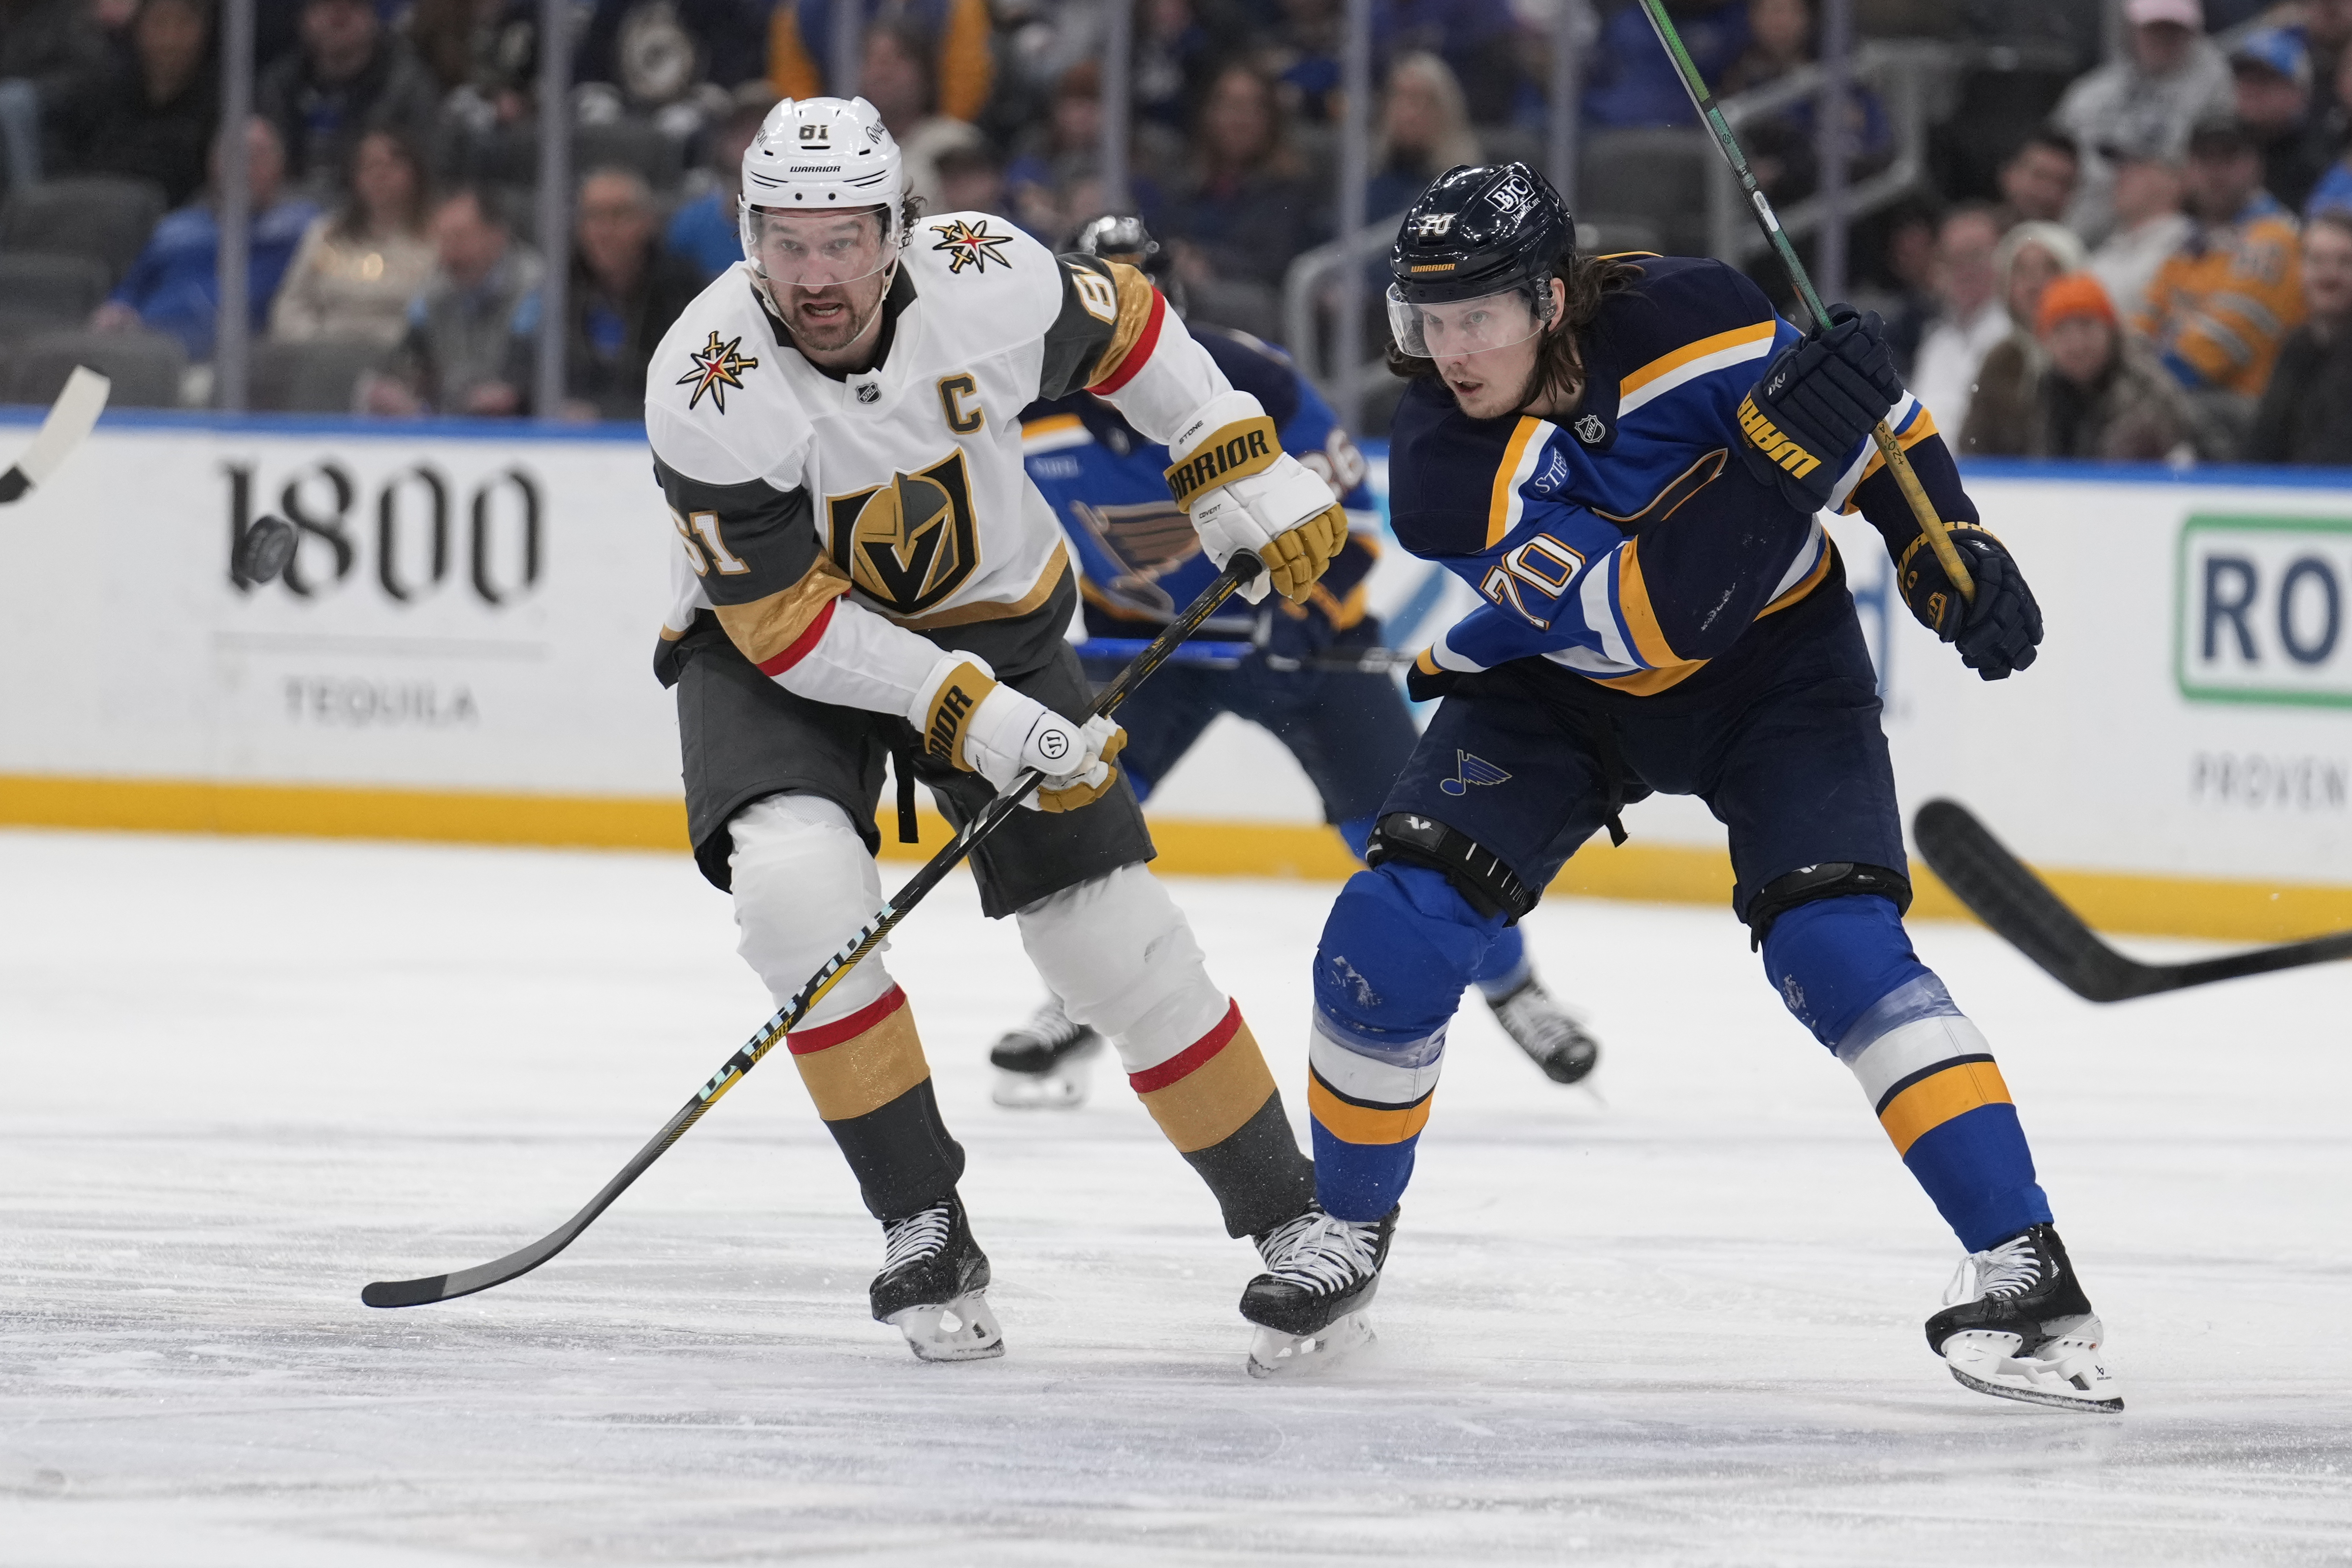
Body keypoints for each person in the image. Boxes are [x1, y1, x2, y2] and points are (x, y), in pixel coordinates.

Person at [1247, 160, 2119, 1415]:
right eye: (1425, 320)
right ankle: (1346, 1229)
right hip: (1562, 683)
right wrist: (1768, 465)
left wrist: (1944, 537)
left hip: (1776, 670)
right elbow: (1665, 617)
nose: (1447, 352)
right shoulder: (1442, 466)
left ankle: (2025, 1269)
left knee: (1837, 949)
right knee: (1385, 936)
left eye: (1477, 316)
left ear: (1550, 299)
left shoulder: (1690, 314)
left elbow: (1865, 418)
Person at [640, 96, 1353, 1366]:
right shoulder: (707, 381)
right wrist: (962, 713)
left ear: (895, 229)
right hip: (777, 652)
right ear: (749, 233)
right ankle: (920, 1218)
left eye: (843, 238)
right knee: (798, 895)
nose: (815, 275)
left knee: (1109, 939)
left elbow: (1132, 329)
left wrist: (1220, 449)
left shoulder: (986, 270)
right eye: (786, 241)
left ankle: (1294, 1221)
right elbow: (786, 623)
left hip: (996, 619)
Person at [987, 215, 1602, 1112]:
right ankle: (1088, 997)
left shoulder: (1250, 377)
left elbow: (1348, 508)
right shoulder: (1027, 403)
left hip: (1306, 645)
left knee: (1412, 839)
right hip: (1159, 647)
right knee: (1078, 818)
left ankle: (1515, 989)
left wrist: (1302, 608)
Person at [93, 116, 321, 361]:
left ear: (280, 165)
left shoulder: (303, 229)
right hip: (148, 353)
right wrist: (117, 309)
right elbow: (130, 290)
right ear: (214, 163)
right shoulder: (176, 229)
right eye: (233, 155)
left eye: (257, 156)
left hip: (232, 366)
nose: (244, 167)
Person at [2140, 119, 2307, 431]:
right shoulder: (2191, 245)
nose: (2215, 172)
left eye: (2229, 159)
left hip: (2251, 406)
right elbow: (2143, 322)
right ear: (2189, 169)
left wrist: (2136, 383)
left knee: (2145, 421)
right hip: (2184, 392)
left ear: (2256, 167)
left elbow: (2214, 350)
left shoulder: (2275, 239)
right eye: (2205, 159)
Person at [498, 166, 703, 421]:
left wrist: (607, 413)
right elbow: (520, 368)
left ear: (648, 221)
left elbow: (695, 388)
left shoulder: (685, 292)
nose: (604, 231)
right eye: (593, 216)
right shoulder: (557, 288)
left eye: (618, 215)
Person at [2053, 0, 2233, 245]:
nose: (2164, 39)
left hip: (2173, 230)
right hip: (2085, 221)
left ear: (2193, 33)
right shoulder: (2090, 95)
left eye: (2174, 29)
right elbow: (2053, 157)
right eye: (2153, 28)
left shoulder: (2218, 90)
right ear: (2130, 29)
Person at [1977, 272, 2202, 460]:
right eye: (2062, 331)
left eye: (2087, 326)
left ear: (2111, 333)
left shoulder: (2144, 389)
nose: (2077, 344)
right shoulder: (2042, 392)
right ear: (2045, 342)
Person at [361, 185, 542, 416]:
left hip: (518, 431)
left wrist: (511, 394)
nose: (450, 252)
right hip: (449, 424)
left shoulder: (534, 289)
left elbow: (522, 378)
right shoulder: (433, 292)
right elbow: (404, 360)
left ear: (497, 236)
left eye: (461, 237)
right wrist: (395, 388)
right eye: (443, 239)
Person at [1164, 63, 1323, 298]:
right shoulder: (1188, 184)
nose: (1239, 120)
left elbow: (1276, 267)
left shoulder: (1291, 190)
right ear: (1210, 114)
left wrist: (1205, 261)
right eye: (1230, 107)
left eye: (1252, 108)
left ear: (1271, 119)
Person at [254, 0, 439, 196]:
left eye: (353, 6)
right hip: (284, 209)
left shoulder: (406, 86)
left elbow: (427, 166)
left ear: (374, 16)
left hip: (372, 211)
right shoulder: (279, 83)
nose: (338, 18)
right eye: (325, 7)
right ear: (305, 17)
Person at [269, 129, 434, 346]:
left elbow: (441, 314)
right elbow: (291, 304)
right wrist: (315, 341)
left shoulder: (438, 238)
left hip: (400, 355)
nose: (381, 175)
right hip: (324, 353)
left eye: (392, 165)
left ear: (415, 173)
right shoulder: (326, 232)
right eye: (370, 166)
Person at [50, 0, 219, 210]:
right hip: (93, 208)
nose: (171, 40)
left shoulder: (221, 100)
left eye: (183, 24)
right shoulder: (105, 88)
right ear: (138, 29)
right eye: (160, 24)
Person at [1959, 221, 2087, 458]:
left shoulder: (2103, 353)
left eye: (2050, 269)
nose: (2035, 284)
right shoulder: (2000, 361)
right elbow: (1973, 449)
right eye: (2022, 271)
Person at [767, 0, 994, 126]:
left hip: (926, 131)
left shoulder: (954, 6)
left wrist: (931, 135)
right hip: (834, 136)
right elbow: (793, 94)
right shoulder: (800, 10)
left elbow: (965, 85)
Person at [2248, 208, 2352, 460]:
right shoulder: (2298, 346)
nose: (2329, 276)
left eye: (2345, 262)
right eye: (2317, 261)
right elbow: (2263, 443)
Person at [851, 19, 985, 213]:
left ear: (925, 72)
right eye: (873, 60)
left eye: (896, 60)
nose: (882, 73)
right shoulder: (845, 147)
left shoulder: (954, 142)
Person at [1908, 204, 2006, 437]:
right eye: (1953, 259)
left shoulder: (2013, 336)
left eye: (1974, 255)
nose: (1964, 270)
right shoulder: (1936, 344)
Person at [667, 85, 779, 283]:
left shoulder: (812, 225)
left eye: (766, 131)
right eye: (743, 130)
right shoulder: (690, 225)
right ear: (723, 143)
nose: (755, 141)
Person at [1364, 52, 1484, 222]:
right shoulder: (1367, 190)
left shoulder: (1468, 193)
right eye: (1398, 98)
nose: (1407, 114)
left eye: (1418, 100)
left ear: (1445, 111)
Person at [2088, 138, 2193, 323]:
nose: (2120, 176)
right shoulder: (2104, 253)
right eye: (2119, 167)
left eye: (2134, 168)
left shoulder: (2191, 246)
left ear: (2173, 181)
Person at [2231, 28, 2331, 213]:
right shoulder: (2217, 141)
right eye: (2244, 78)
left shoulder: (2319, 159)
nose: (2251, 89)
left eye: (2264, 80)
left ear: (2299, 93)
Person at [1994, 128, 2081, 229]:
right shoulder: (1976, 236)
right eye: (2041, 176)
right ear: (2009, 174)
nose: (2049, 192)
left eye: (2063, 184)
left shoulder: (2075, 243)